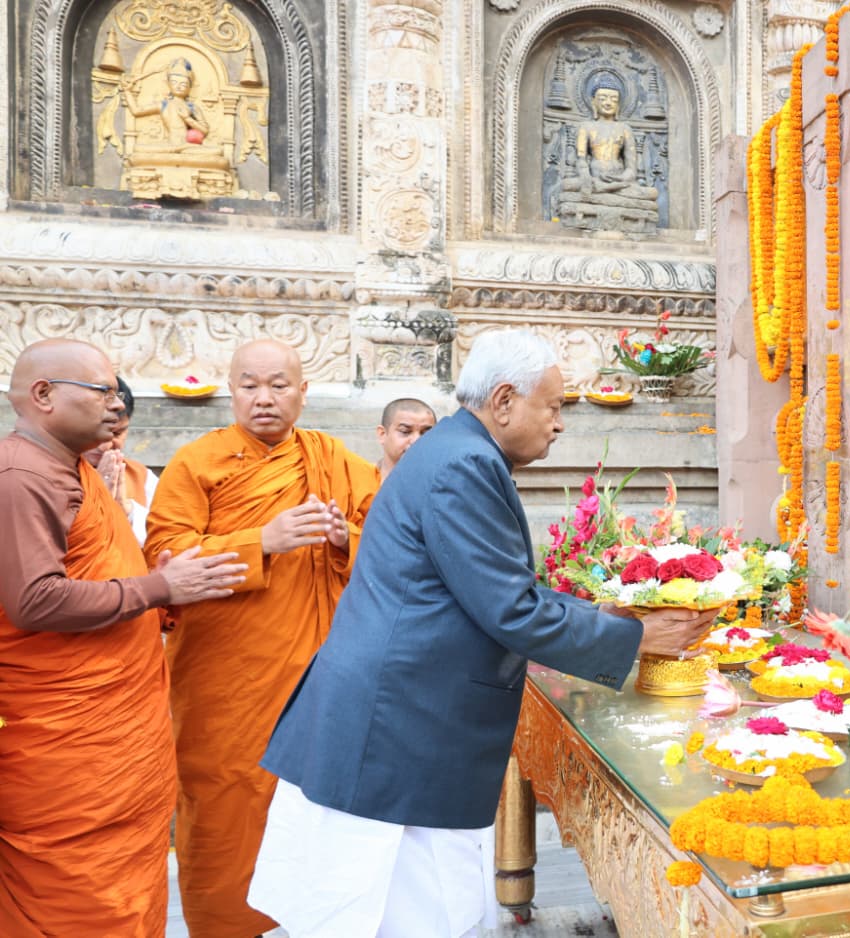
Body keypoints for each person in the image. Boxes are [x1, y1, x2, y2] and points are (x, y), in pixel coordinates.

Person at [248, 330, 716, 937]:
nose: (558, 425)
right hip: (397, 730)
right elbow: (510, 611)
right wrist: (639, 639)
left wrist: (606, 615)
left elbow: (490, 585)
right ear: (503, 402)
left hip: (401, 718)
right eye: (552, 407)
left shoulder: (457, 451)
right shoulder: (463, 463)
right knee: (400, 915)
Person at [0, 339, 247, 937]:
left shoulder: (75, 471)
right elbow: (34, 600)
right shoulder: (22, 477)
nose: (116, 406)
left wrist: (154, 581)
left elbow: (96, 572)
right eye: (103, 391)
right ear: (43, 396)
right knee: (77, 898)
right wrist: (159, 588)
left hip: (112, 738)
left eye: (117, 392)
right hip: (67, 745)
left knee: (124, 895)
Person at [142, 339, 381, 938]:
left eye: (278, 385)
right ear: (231, 391)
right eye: (250, 385)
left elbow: (391, 543)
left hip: (318, 681)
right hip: (226, 686)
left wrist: (343, 539)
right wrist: (261, 541)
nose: (264, 398)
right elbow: (164, 562)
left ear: (303, 392)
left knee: (314, 817)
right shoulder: (197, 463)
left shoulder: (336, 461)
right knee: (225, 807)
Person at [83, 375, 159, 543]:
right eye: (94, 433)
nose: (104, 446)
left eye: (117, 433)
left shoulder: (142, 477)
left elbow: (163, 539)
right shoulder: (49, 475)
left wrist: (128, 511)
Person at [375, 397, 436, 478]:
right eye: (405, 431)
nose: (416, 441)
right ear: (382, 434)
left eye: (426, 434)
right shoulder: (361, 480)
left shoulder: (444, 484)